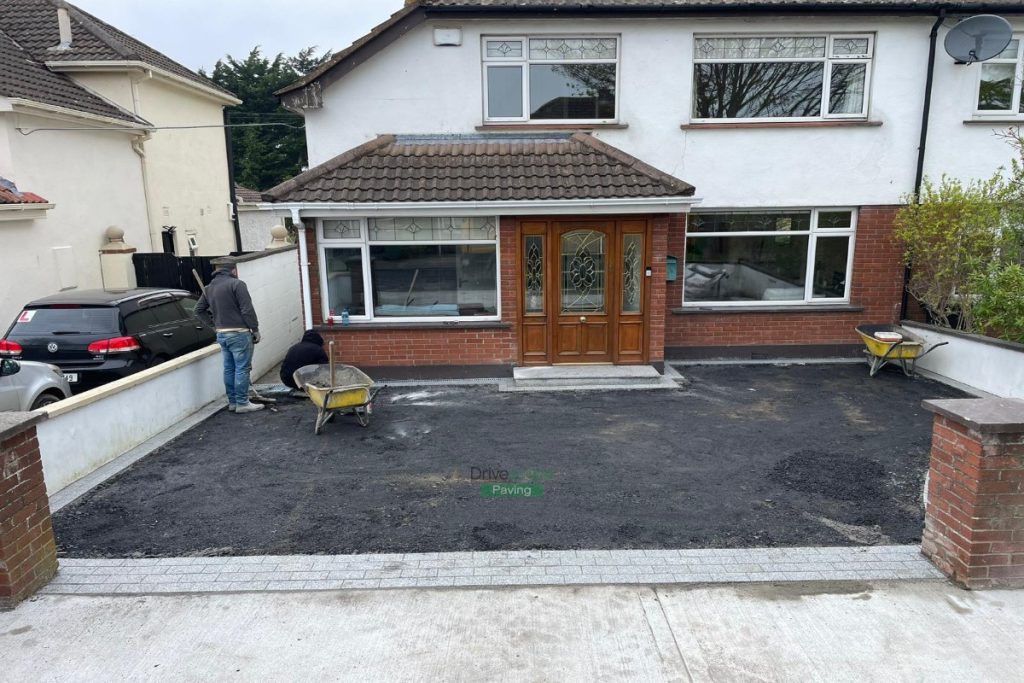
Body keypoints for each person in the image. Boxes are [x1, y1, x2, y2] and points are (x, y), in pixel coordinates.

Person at [194, 263, 263, 413]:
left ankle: (233, 403)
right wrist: (255, 329)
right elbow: (247, 309)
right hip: (239, 333)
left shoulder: (209, 288)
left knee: (229, 368)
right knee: (242, 369)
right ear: (233, 270)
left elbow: (198, 311)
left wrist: (213, 325)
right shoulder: (237, 284)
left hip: (222, 334)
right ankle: (243, 403)